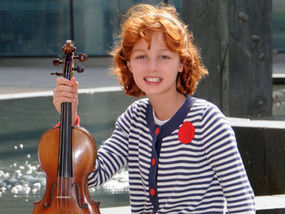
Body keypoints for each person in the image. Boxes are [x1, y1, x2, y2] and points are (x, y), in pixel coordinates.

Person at [53, 3, 255, 214]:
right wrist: (70, 119)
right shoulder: (133, 119)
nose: (152, 67)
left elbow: (241, 201)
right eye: (141, 56)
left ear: (182, 63)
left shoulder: (208, 120)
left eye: (164, 56)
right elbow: (91, 176)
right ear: (129, 64)